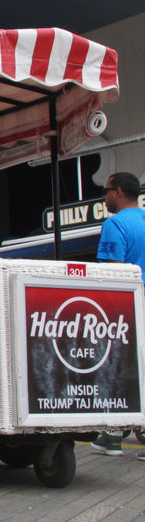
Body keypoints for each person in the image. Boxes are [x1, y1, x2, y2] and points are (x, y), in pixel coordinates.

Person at [90, 172, 145, 459]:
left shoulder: (115, 224)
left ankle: (112, 436)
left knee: (118, 368)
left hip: (130, 310)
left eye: (106, 190)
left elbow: (113, 275)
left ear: (119, 192)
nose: (104, 196)